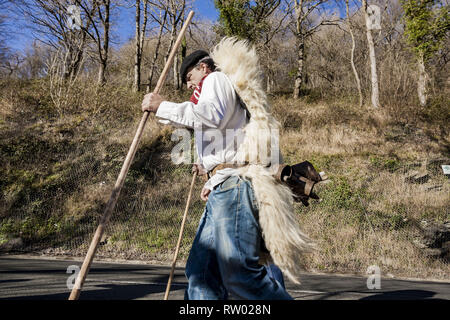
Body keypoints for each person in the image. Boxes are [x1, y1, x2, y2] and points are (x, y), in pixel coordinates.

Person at [141, 48, 292, 300]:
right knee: (201, 272)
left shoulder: (215, 80)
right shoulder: (206, 93)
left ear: (204, 67)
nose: (188, 84)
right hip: (223, 185)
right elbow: (202, 121)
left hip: (234, 186)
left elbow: (209, 115)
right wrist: (210, 176)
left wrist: (161, 105)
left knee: (239, 274)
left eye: (189, 76)